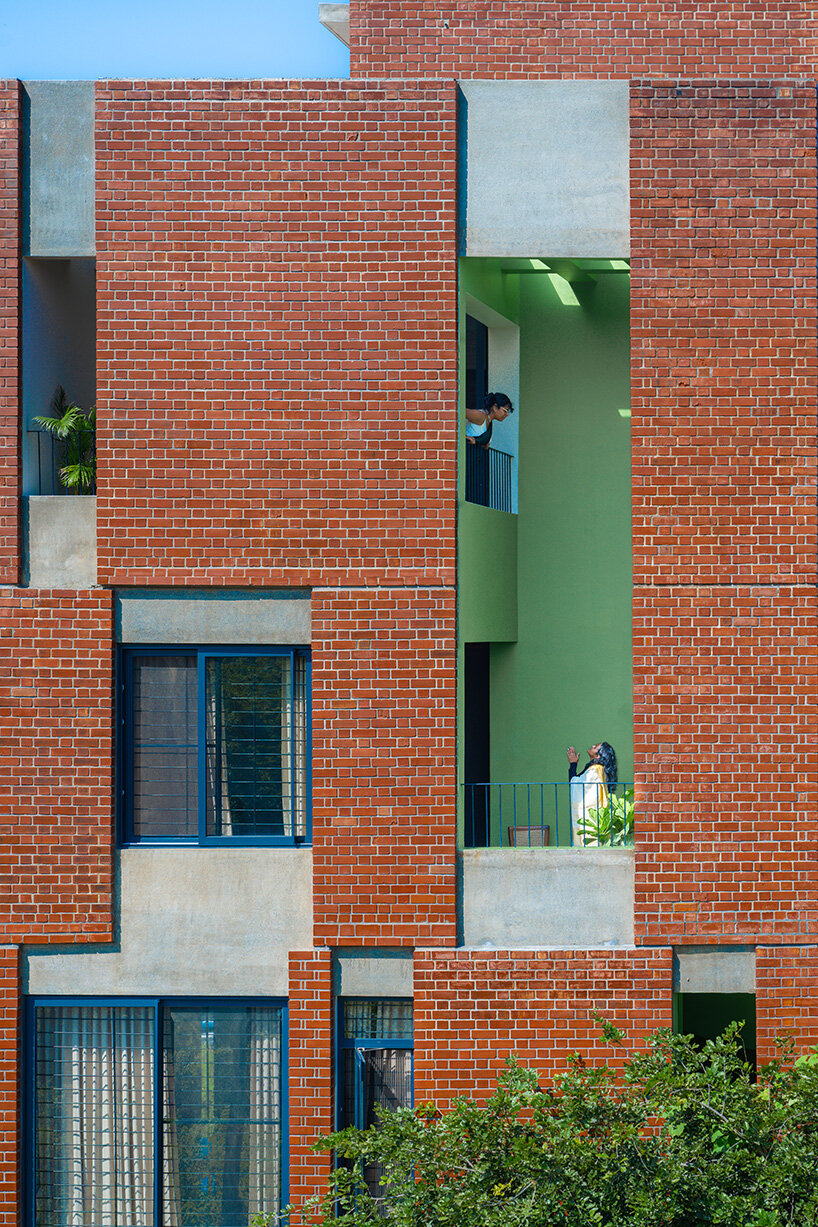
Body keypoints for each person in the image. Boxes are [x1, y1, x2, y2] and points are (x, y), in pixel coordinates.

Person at [566, 742, 618, 847]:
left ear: (599, 755)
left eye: (596, 747)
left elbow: (576, 784)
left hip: (590, 816)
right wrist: (573, 763)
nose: (593, 746)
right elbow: (575, 783)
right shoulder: (594, 768)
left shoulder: (596, 769)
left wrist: (573, 764)